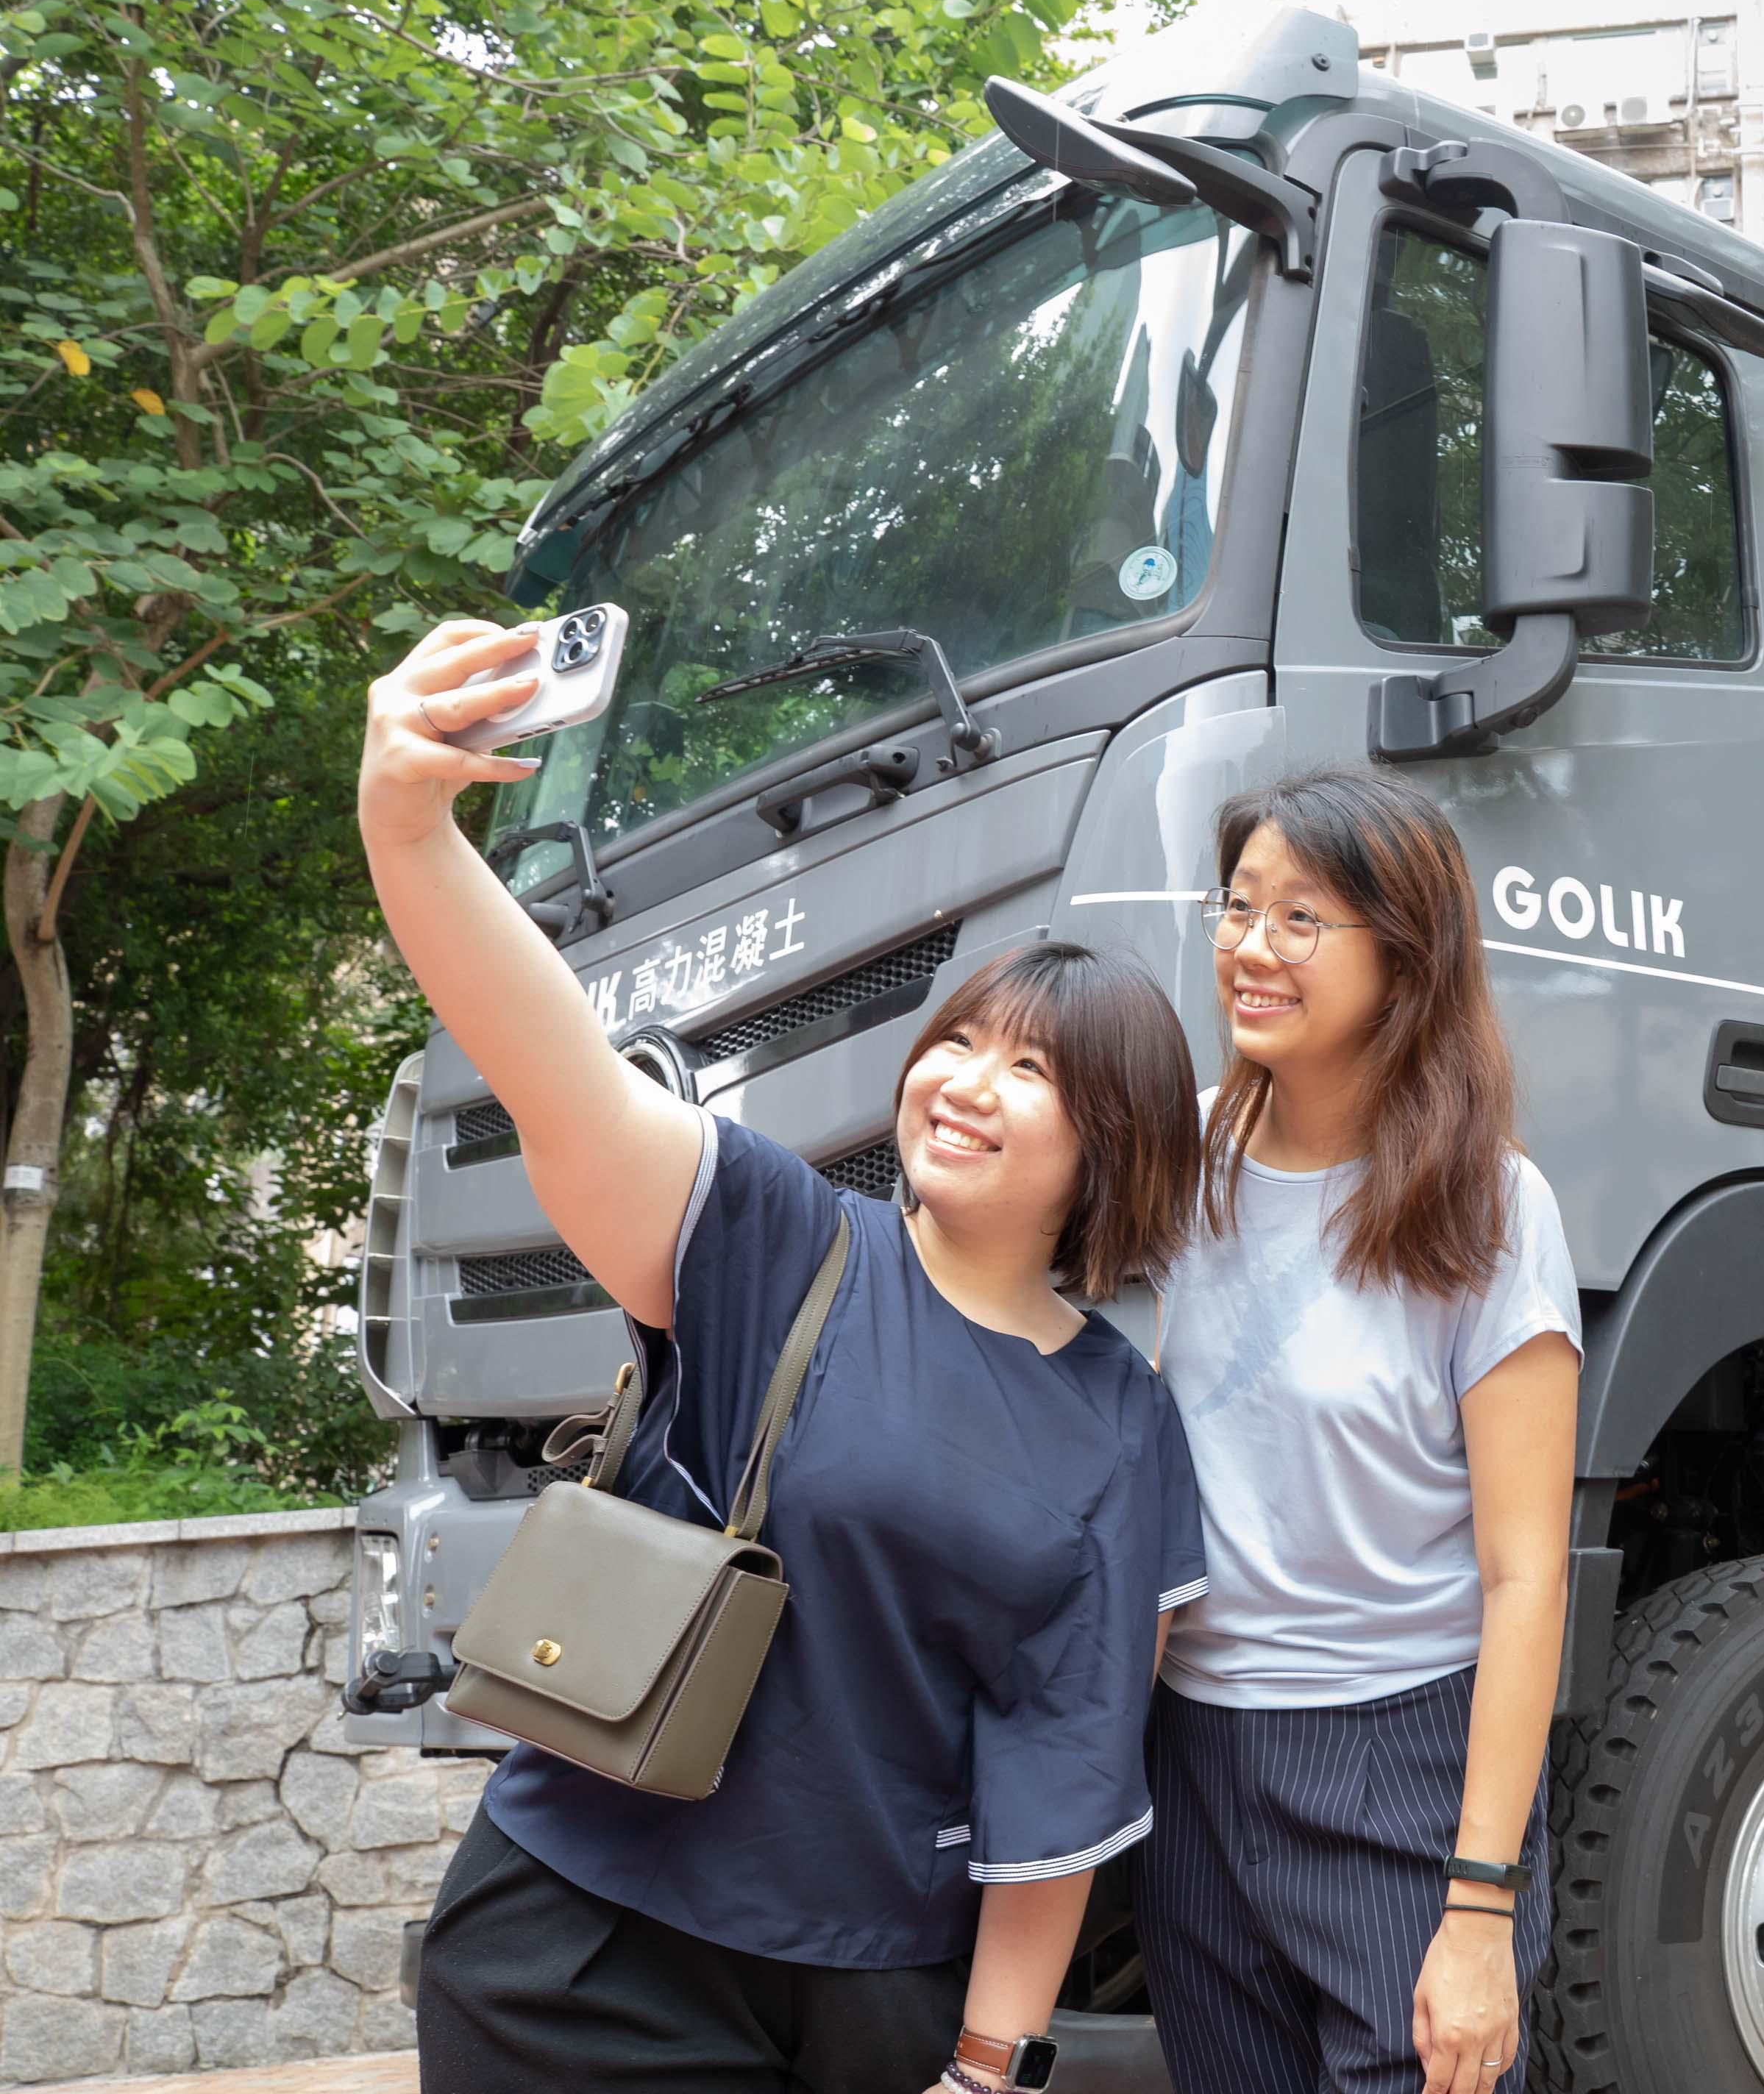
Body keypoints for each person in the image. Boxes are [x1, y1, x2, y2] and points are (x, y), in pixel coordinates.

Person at [359, 618, 1209, 2094]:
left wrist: (990, 2065)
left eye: (1033, 1070)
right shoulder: (782, 1236)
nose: (965, 1081)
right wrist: (411, 825)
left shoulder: (1120, 1421)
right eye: (962, 1040)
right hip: (591, 1943)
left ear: (1110, 1149)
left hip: (874, 1997)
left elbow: (1064, 1766)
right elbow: (551, 1062)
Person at [1137, 770, 1581, 2094]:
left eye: (1302, 918)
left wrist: (1482, 1908)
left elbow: (1526, 1579)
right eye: (1237, 906)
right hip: (1196, 1757)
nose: (1249, 948)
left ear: (1407, 956)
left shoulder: (1489, 1209)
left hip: (1402, 1761)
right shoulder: (1183, 1159)